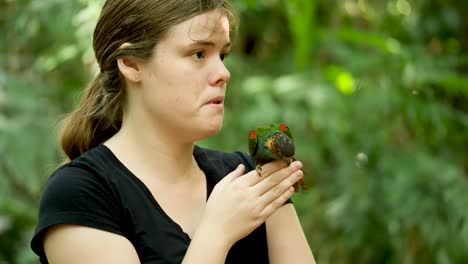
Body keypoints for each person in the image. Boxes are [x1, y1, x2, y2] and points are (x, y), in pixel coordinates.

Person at [30, 0, 316, 263]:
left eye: (223, 54)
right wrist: (217, 233)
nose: (223, 73)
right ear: (131, 63)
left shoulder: (248, 178)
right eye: (198, 53)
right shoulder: (81, 194)